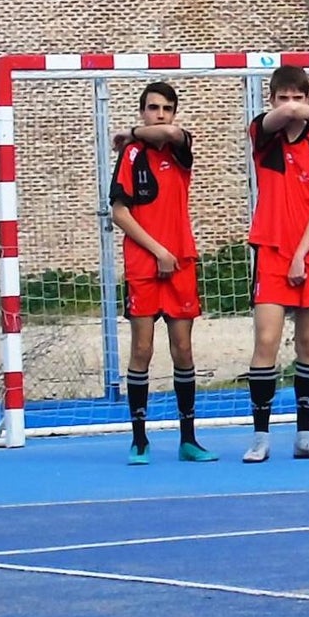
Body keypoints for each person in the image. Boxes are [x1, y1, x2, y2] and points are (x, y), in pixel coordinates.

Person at [242, 65, 309, 463]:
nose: (290, 106)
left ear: (307, 95)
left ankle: (305, 435)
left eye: (297, 97)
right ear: (272, 101)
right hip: (271, 250)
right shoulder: (263, 133)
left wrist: (303, 253)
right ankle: (260, 436)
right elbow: (283, 119)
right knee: (266, 341)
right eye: (283, 98)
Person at [109, 82, 218, 466]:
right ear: (142, 111)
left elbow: (172, 133)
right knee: (142, 349)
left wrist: (129, 132)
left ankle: (188, 439)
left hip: (181, 262)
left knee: (183, 350)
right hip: (144, 264)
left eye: (166, 108)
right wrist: (157, 250)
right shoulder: (131, 154)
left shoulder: (179, 145)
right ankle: (139, 439)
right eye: (152, 107)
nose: (160, 114)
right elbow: (119, 212)